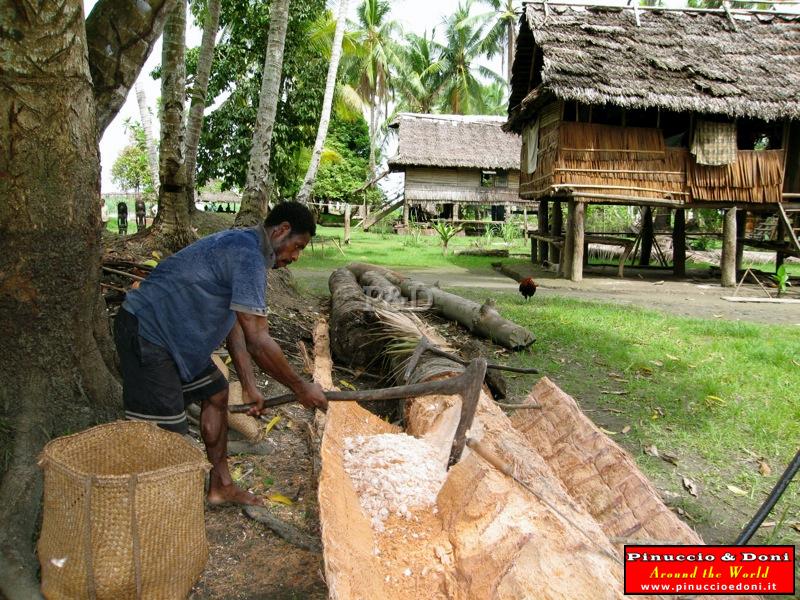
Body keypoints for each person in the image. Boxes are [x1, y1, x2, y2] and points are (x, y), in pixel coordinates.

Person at [113, 202, 326, 506]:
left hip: (176, 340)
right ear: (281, 230)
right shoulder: (248, 255)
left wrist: (249, 386)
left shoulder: (246, 247)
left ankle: (221, 486)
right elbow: (258, 340)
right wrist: (300, 387)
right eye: (298, 246)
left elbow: (236, 326)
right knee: (166, 436)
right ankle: (158, 510)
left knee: (216, 392)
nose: (295, 256)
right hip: (148, 333)